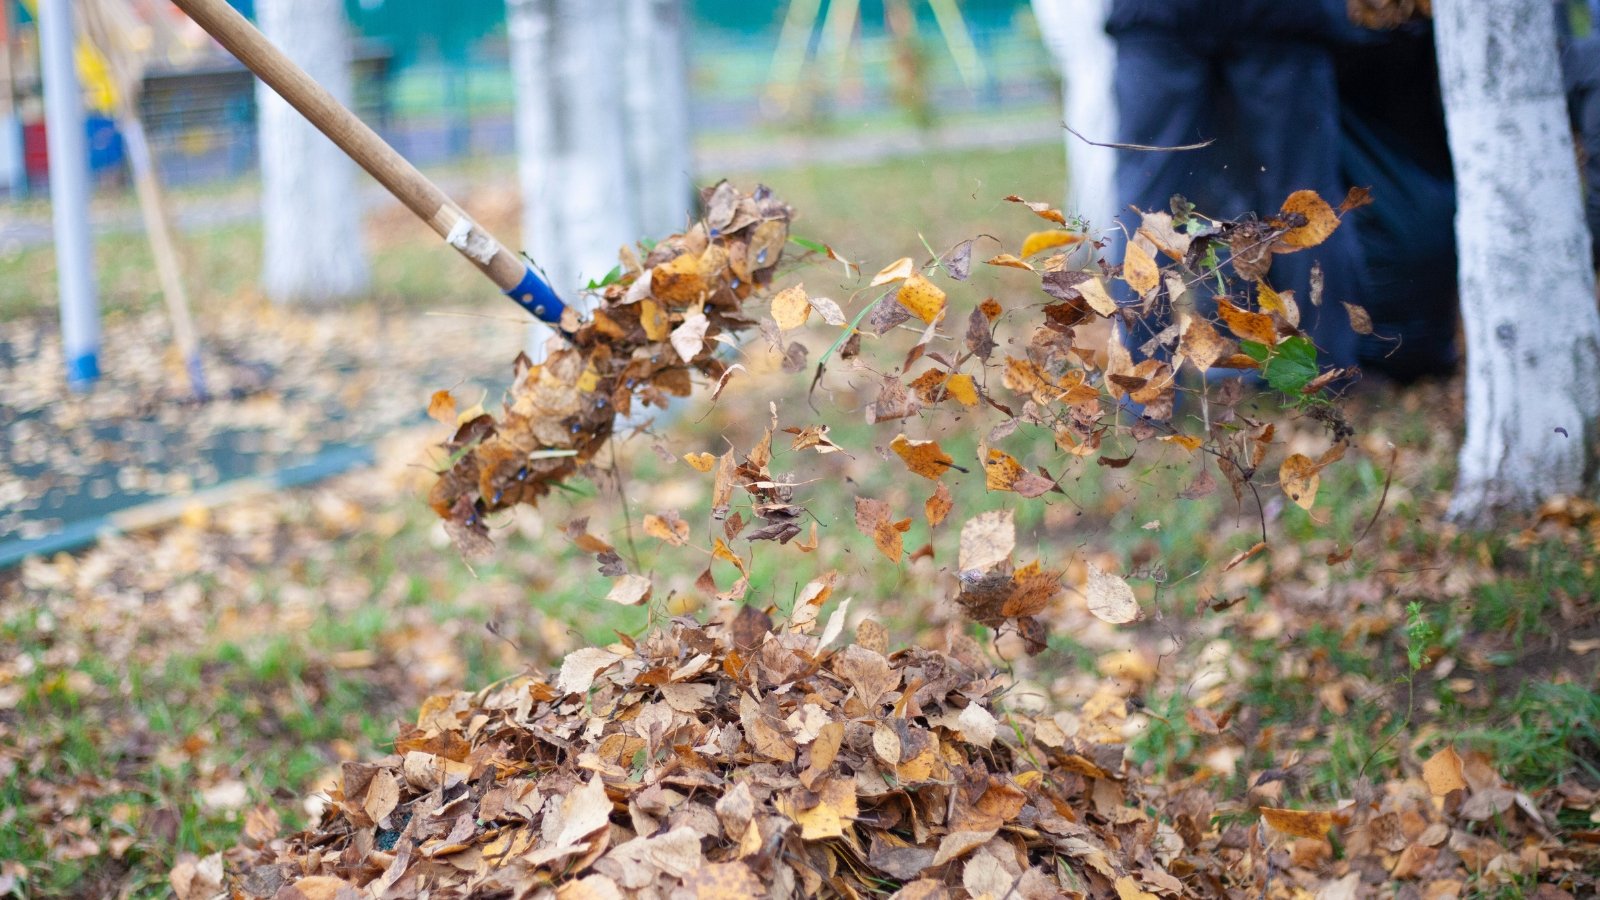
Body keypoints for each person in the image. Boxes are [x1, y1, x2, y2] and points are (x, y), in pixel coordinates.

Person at [1108, 0, 1363, 374]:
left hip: (1160, 17)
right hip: (1277, 19)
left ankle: (1144, 385)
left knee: (1148, 199)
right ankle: (1321, 374)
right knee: (1304, 194)